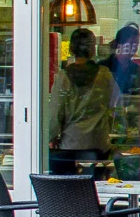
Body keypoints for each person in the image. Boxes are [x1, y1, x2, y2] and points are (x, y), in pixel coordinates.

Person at [48, 27, 118, 175]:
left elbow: (55, 112)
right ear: (93, 49)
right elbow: (115, 104)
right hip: (98, 142)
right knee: (97, 186)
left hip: (70, 144)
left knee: (73, 188)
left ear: (72, 49)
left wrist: (51, 136)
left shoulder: (63, 76)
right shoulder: (104, 75)